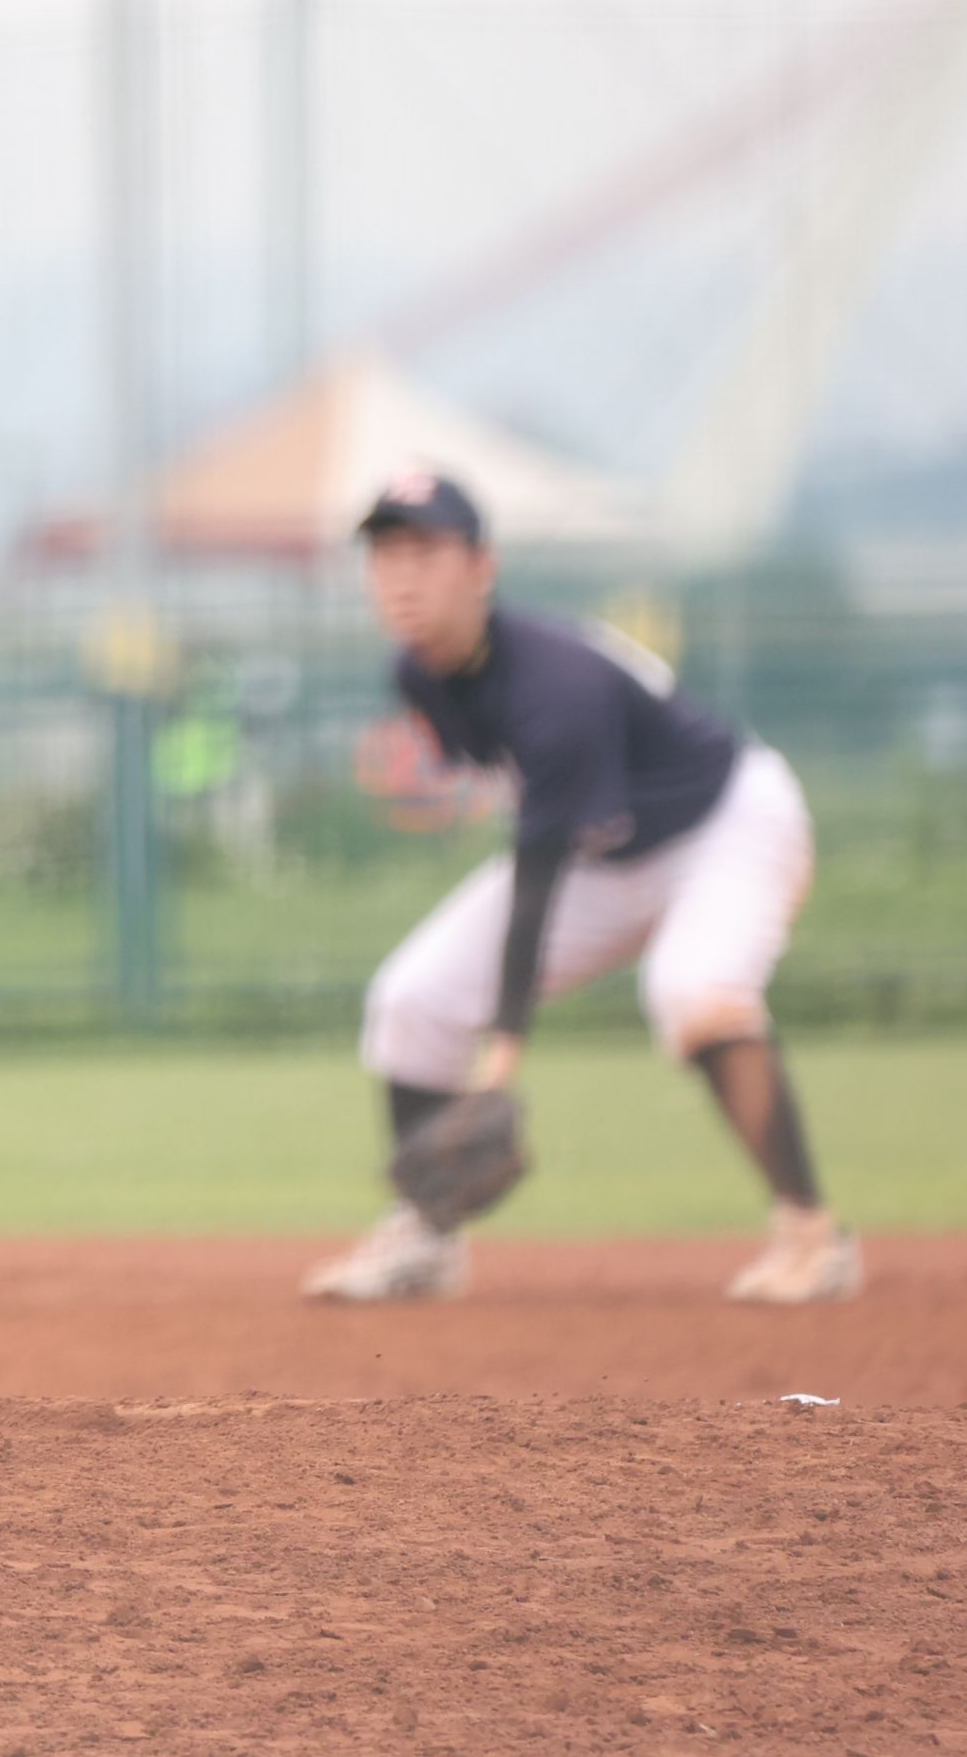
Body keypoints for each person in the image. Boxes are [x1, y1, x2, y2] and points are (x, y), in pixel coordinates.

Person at [302, 470, 858, 1306]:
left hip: (723, 827)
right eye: (384, 555)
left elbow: (535, 878)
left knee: (696, 990)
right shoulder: (418, 673)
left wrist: (500, 1062)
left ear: (482, 566)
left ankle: (813, 1237)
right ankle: (425, 1237)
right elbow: (528, 809)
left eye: (425, 552)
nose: (401, 577)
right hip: (603, 850)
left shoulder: (553, 685)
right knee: (413, 997)